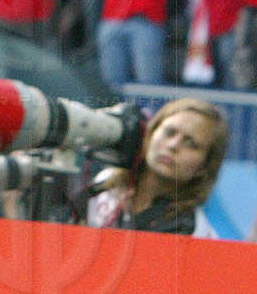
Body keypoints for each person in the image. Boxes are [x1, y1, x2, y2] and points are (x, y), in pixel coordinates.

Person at [86, 98, 229, 236]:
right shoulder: (104, 185)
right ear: (149, 134)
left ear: (204, 166)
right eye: (169, 132)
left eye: (191, 143)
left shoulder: (196, 232)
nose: (173, 145)